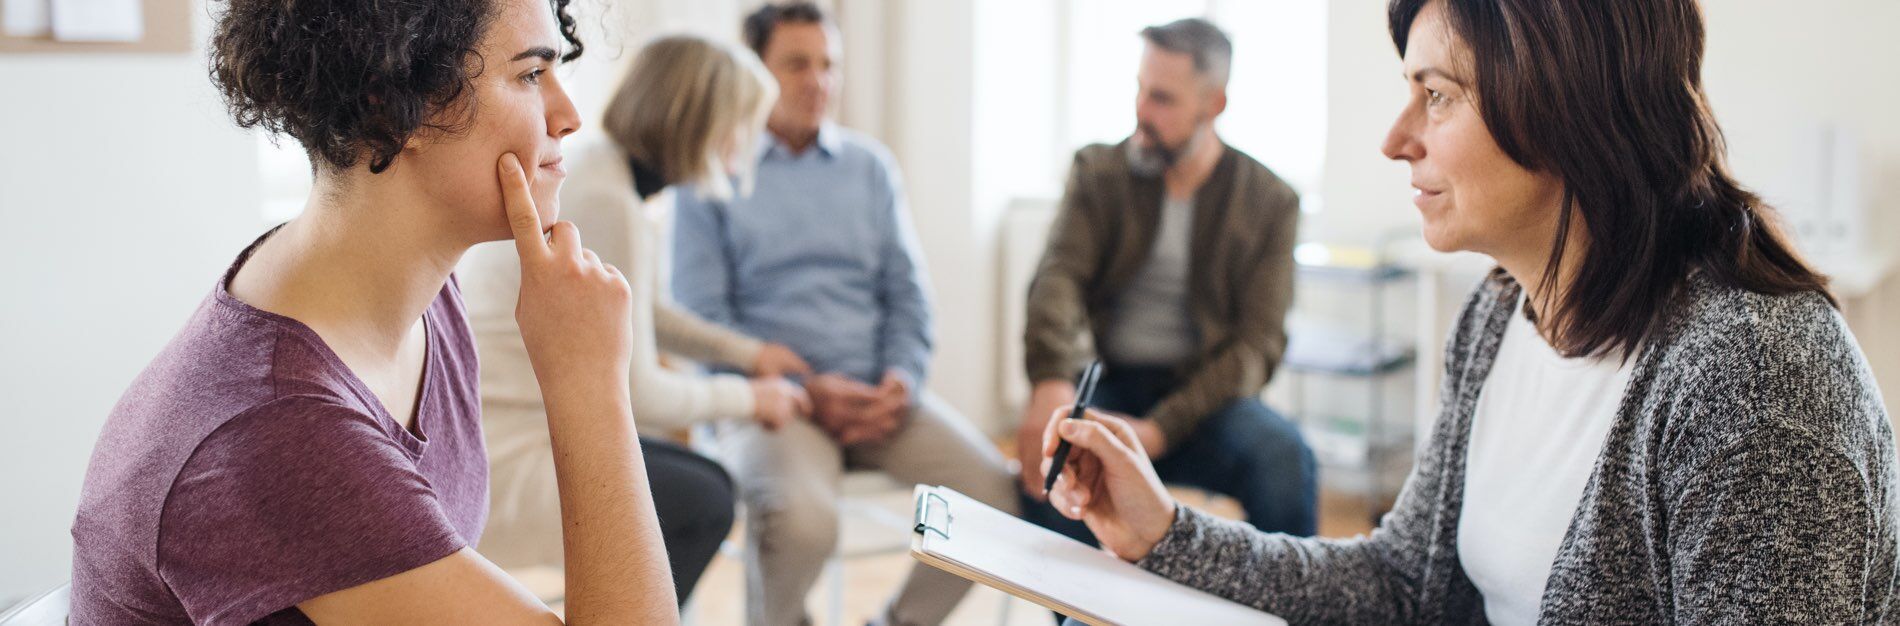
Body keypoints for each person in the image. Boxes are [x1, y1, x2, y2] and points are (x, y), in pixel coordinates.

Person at [1037, 1, 1899, 624]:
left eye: (1437, 95)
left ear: (1562, 107)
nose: (1395, 137)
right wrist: (1164, 534)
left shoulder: (1752, 377)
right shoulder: (1500, 315)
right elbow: (1405, 584)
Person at [68, 0, 681, 622]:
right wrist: (591, 382)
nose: (570, 116)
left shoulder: (420, 298)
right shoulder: (282, 431)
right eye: (529, 75)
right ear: (393, 106)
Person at [670, 3, 1018, 624]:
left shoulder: (870, 168)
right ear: (755, 71)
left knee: (994, 498)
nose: (818, 81)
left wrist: (902, 380)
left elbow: (909, 296)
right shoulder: (711, 174)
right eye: (797, 64)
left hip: (879, 399)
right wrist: (806, 389)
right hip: (772, 404)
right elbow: (702, 324)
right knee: (804, 526)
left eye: (829, 64)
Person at [462, 34, 805, 607]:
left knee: (710, 481)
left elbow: (641, 309)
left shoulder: (605, 174)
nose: (741, 144)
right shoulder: (608, 200)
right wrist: (752, 398)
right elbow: (640, 394)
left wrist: (749, 355)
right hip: (508, 453)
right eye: (736, 125)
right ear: (698, 123)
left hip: (530, 425)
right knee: (705, 502)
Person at [1014, 17, 1318, 543]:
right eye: (1139, 90)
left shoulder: (1270, 202)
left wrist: (1159, 430)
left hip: (1206, 400)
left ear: (1214, 104)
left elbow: (1257, 345)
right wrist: (1050, 380)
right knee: (1056, 469)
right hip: (1111, 383)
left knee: (1286, 460)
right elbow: (1058, 278)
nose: (1141, 112)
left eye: (1162, 98)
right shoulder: (1099, 173)